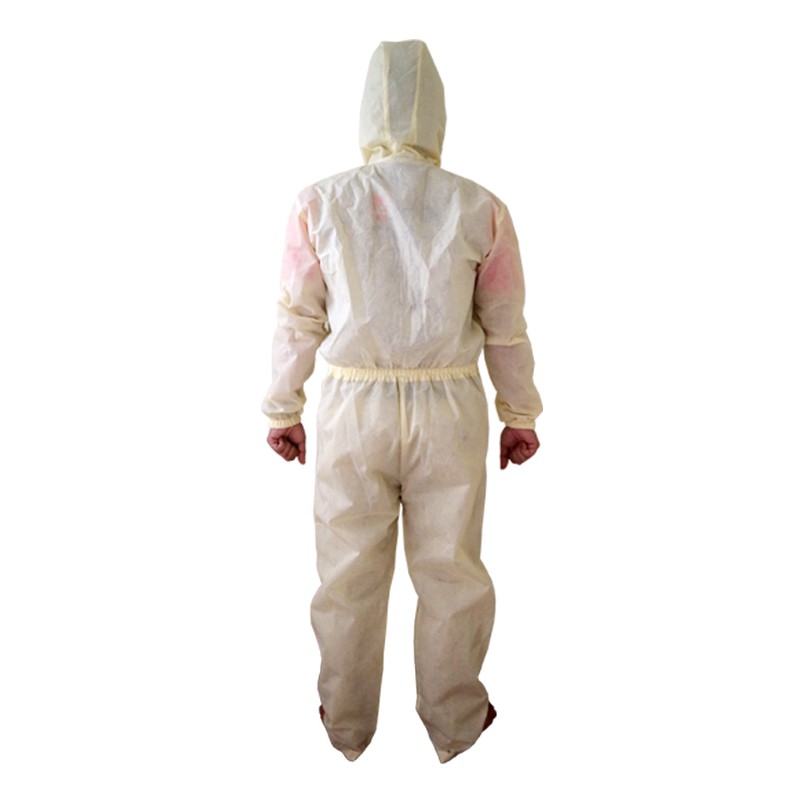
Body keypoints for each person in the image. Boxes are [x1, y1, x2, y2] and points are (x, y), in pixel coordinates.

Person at [262, 40, 543, 763]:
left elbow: (298, 315)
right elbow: (504, 323)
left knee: (347, 571)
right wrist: (518, 413)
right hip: (449, 410)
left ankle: (345, 719)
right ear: (438, 113)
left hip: (351, 410)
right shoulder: (480, 207)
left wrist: (283, 407)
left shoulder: (320, 203)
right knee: (450, 570)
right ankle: (455, 721)